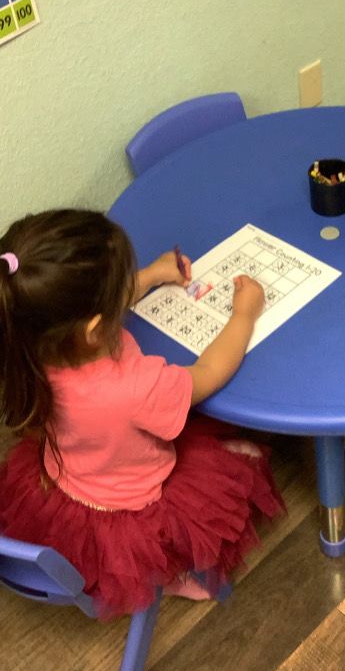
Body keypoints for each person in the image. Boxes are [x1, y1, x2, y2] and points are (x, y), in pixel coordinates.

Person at [0, 209, 285, 619]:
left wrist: (151, 275)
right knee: (243, 457)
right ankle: (167, 568)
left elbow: (87, 312)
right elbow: (206, 375)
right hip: (136, 506)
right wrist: (244, 314)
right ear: (94, 330)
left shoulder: (28, 345)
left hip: (68, 478)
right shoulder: (136, 386)